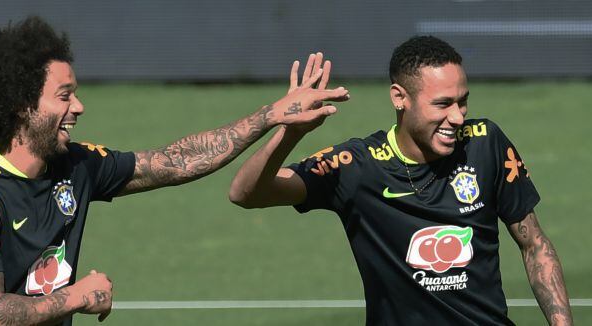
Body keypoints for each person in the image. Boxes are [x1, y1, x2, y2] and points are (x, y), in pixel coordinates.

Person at [0, 16, 348, 325]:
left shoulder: (76, 166)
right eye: (64, 96)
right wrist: (76, 296)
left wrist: (269, 116)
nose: (79, 107)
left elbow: (174, 162)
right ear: (22, 105)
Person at [230, 36, 573, 325]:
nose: (457, 117)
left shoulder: (485, 143)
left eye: (462, 102)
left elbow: (534, 243)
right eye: (442, 104)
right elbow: (246, 192)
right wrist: (289, 134)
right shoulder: (356, 166)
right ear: (399, 98)